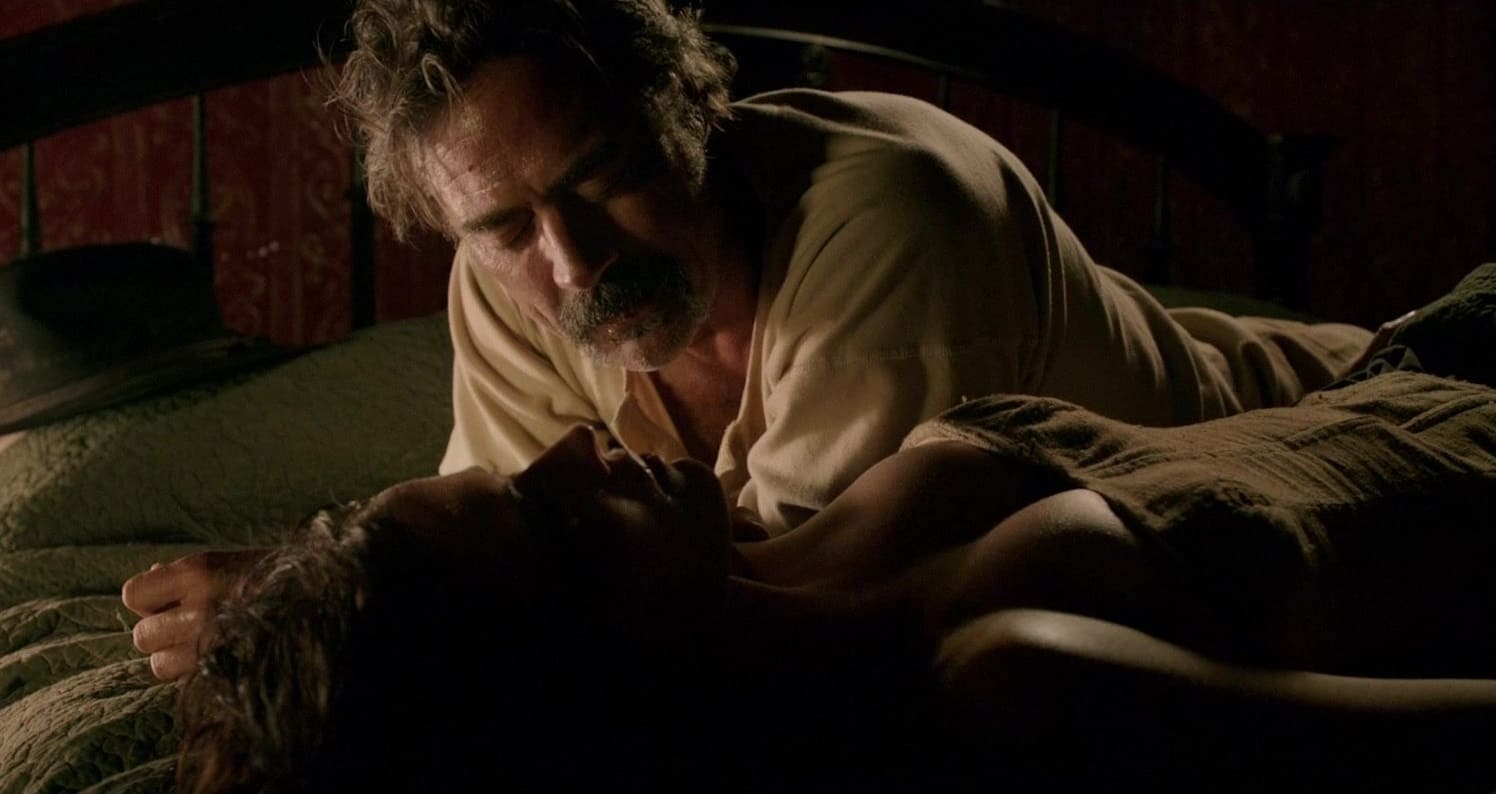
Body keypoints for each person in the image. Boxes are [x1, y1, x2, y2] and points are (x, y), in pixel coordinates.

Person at [125, 0, 1374, 681]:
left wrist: (338, 595)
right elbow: (527, 548)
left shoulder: (897, 218)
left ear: (689, 110)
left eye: (603, 178)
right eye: (502, 227)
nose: (572, 265)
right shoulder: (505, 282)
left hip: (1354, 407)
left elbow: (757, 600)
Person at [171, 371, 1496, 792]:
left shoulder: (770, 549)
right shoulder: (1010, 680)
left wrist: (313, 595)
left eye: (520, 466)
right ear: (591, 675)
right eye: (553, 520)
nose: (580, 444)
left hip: (1486, 341)